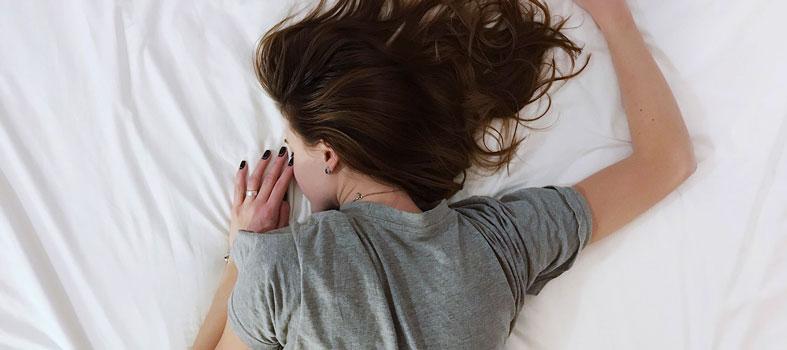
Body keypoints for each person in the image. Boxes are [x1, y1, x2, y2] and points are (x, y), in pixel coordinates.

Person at [194, 0, 696, 348]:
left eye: (291, 148)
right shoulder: (500, 245)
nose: (289, 164)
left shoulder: (286, 268)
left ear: (329, 155)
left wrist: (245, 252)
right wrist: (613, 17)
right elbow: (666, 160)